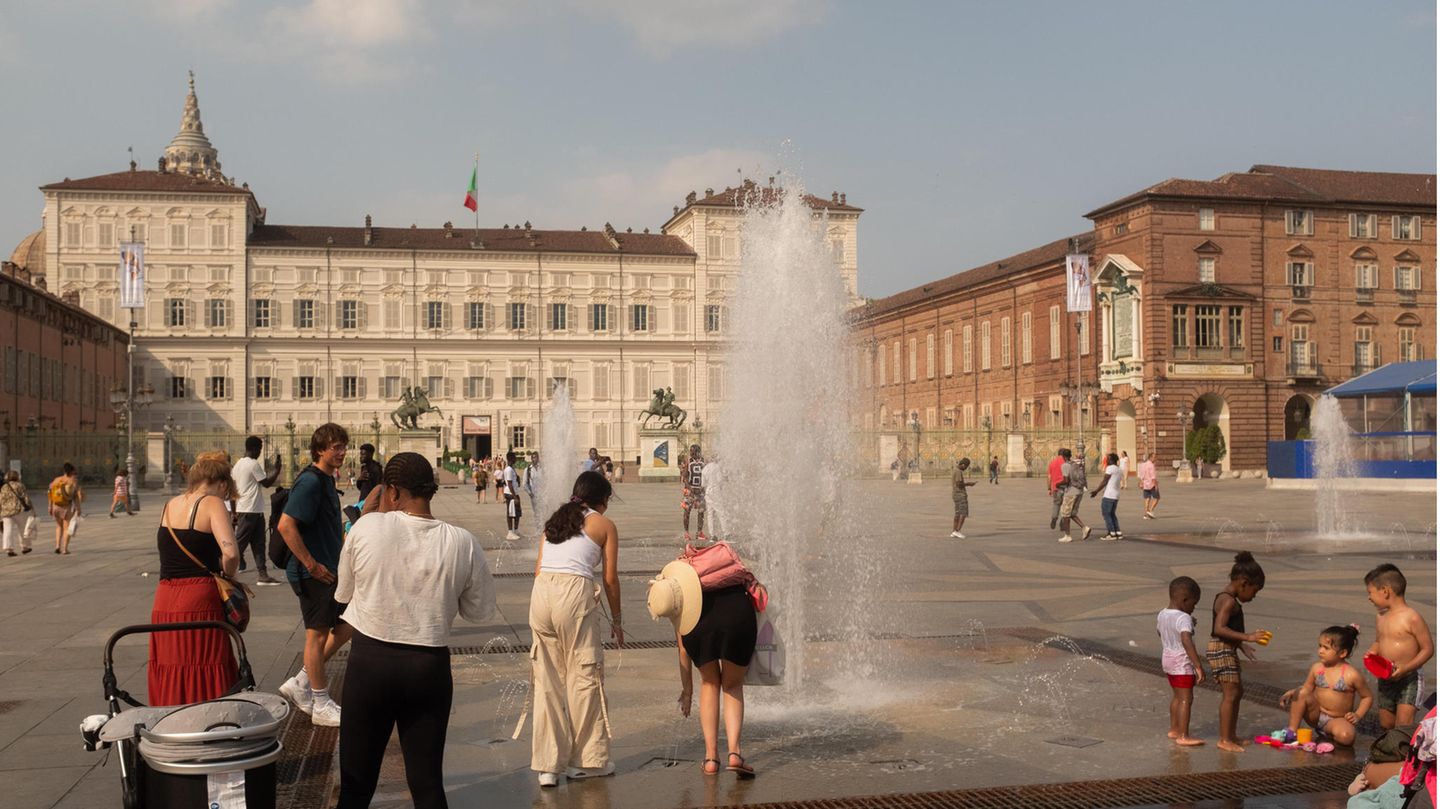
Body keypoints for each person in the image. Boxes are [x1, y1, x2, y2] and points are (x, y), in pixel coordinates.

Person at [335, 453, 497, 809]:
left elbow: (344, 593)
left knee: (356, 787)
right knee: (426, 786)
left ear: (392, 492)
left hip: (370, 663)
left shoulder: (367, 528)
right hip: (428, 667)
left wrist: (367, 521)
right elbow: (478, 611)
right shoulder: (462, 541)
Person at [529, 470, 623, 787]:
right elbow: (609, 579)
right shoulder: (604, 525)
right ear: (602, 500)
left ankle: (548, 766)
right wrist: (618, 620)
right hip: (573, 593)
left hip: (541, 595)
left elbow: (539, 569)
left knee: (548, 680)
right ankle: (586, 761)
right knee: (584, 677)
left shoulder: (553, 524)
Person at [649, 555, 764, 779]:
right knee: (732, 685)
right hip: (738, 616)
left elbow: (682, 650)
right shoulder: (721, 567)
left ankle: (711, 758)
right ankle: (735, 754)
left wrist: (687, 691)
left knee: (710, 683)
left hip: (699, 625)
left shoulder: (678, 595)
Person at [276, 423, 354, 728]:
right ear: (319, 449)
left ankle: (303, 679)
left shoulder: (324, 479)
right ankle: (321, 702)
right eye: (336, 447)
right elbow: (286, 526)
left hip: (328, 569)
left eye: (343, 446)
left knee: (349, 624)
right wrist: (310, 564)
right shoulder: (310, 482)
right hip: (314, 573)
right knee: (317, 634)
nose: (342, 452)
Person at [149, 451, 240, 706]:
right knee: (206, 662)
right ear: (222, 483)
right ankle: (209, 718)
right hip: (199, 598)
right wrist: (227, 575)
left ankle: (174, 715)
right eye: (226, 491)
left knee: (172, 664)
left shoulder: (169, 505)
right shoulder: (212, 503)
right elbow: (231, 552)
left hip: (165, 598)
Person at [1208, 551, 1267, 752]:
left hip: (1226, 648)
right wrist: (1247, 637)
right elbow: (1219, 629)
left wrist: (1242, 646)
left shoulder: (1228, 598)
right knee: (1230, 694)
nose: (1253, 596)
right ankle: (1224, 738)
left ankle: (1231, 734)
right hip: (1221, 650)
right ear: (1243, 583)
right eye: (1254, 591)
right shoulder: (1228, 601)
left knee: (1236, 692)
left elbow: (1227, 631)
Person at [1364, 564, 1435, 730]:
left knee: (1403, 725)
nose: (1369, 597)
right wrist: (1373, 650)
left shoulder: (1412, 617)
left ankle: (1406, 752)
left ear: (1385, 591)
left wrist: (1406, 668)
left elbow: (1428, 649)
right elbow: (1379, 640)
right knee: (1386, 724)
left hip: (1409, 678)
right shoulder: (1380, 617)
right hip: (1386, 677)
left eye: (1370, 592)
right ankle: (1391, 752)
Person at [1278, 624, 1374, 747]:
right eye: (1320, 646)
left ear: (1343, 653)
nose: (1320, 651)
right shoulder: (1317, 668)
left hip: (1337, 719)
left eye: (1326, 648)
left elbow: (1367, 697)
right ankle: (1291, 732)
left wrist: (1358, 715)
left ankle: (1329, 734)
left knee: (1346, 737)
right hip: (1316, 715)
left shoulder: (1351, 675)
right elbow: (1307, 688)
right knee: (1301, 692)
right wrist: (1292, 692)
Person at [1158, 576, 1206, 746]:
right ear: (1184, 600)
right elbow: (1186, 640)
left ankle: (1174, 729)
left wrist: (1188, 623)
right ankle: (1184, 735)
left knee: (1177, 697)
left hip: (1167, 661)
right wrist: (1198, 665)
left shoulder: (1162, 614)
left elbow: (1161, 632)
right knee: (1186, 699)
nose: (1193, 608)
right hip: (1181, 663)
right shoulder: (1183, 618)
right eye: (1193, 604)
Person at [232, 436, 283, 586]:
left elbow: (233, 490)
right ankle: (223, 571)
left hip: (249, 509)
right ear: (254, 448)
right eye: (259, 449)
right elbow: (266, 483)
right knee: (239, 544)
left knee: (258, 543)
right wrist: (277, 470)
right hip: (250, 510)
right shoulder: (253, 464)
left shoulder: (237, 465)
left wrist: (234, 511)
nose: (260, 452)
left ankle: (263, 575)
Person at [46, 463, 81, 555]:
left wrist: (49, 506)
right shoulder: (73, 480)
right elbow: (76, 497)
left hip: (55, 506)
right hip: (66, 507)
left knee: (59, 526)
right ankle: (65, 549)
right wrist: (78, 508)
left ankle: (57, 546)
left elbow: (49, 493)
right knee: (66, 528)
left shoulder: (56, 480)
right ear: (72, 471)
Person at [1057, 451, 1091, 543]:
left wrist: (1058, 484)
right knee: (1072, 513)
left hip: (1071, 492)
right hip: (1079, 491)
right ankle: (1084, 528)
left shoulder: (1065, 465)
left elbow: (1066, 480)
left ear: (1063, 456)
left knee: (1065, 514)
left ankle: (1067, 535)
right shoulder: (1075, 464)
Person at [1090, 451, 1123, 541]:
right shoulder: (1119, 469)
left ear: (1111, 460)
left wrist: (1096, 491)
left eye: (1107, 459)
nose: (1106, 461)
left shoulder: (1110, 468)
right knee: (1112, 514)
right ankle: (1118, 532)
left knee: (1106, 514)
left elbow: (1105, 481)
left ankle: (1111, 533)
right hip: (1116, 495)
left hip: (1109, 495)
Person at [0, 470, 33, 556]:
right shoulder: (20, 485)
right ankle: (25, 547)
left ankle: (9, 549)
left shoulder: (4, 487)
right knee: (23, 529)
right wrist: (30, 507)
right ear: (17, 477)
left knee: (8, 530)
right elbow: (25, 497)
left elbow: (1, 499)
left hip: (6, 511)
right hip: (19, 510)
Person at [681, 444, 707, 542]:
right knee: (687, 511)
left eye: (692, 451)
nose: (691, 453)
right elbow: (685, 476)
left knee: (701, 512)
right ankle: (686, 533)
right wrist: (689, 488)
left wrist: (704, 487)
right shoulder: (688, 461)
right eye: (690, 451)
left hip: (700, 491)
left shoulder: (703, 461)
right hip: (690, 491)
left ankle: (699, 532)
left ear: (697, 451)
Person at [950, 458, 976, 539]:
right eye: (966, 466)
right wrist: (969, 484)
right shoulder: (958, 472)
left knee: (957, 513)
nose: (966, 468)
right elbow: (959, 484)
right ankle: (957, 531)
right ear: (963, 465)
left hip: (955, 494)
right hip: (960, 495)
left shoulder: (955, 470)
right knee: (963, 513)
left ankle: (954, 531)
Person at [502, 451, 523, 540]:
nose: (516, 459)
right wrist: (514, 497)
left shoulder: (511, 468)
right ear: (511, 459)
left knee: (517, 513)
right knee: (511, 513)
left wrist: (517, 480)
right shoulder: (509, 470)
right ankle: (510, 532)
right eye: (515, 458)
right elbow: (509, 484)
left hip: (514, 493)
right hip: (510, 494)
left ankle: (516, 530)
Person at [1047, 449, 1067, 530]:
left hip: (1055, 487)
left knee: (1056, 504)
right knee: (1065, 505)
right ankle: (1062, 522)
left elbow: (1049, 477)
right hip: (1065, 487)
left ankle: (1054, 518)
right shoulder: (1066, 463)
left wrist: (1049, 488)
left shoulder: (1052, 462)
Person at [1139, 453, 1161, 519]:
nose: (1155, 459)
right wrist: (1156, 484)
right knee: (1157, 498)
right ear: (1151, 457)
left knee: (1147, 498)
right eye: (1154, 457)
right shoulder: (1151, 465)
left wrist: (1141, 482)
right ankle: (1150, 511)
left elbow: (1141, 474)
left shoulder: (1143, 464)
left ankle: (1146, 513)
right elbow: (1153, 477)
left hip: (1145, 484)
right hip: (1151, 484)